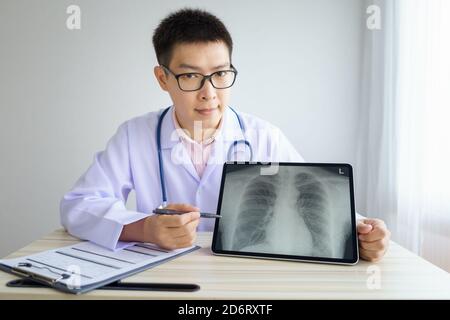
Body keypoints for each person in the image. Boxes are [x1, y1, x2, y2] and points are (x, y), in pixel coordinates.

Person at [60, 8, 390, 262]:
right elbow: (78, 206)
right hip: (165, 277)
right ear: (163, 78)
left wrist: (364, 232)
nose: (209, 93)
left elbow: (325, 206)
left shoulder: (263, 137)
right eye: (190, 76)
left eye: (220, 74)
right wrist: (145, 228)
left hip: (245, 278)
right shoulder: (135, 135)